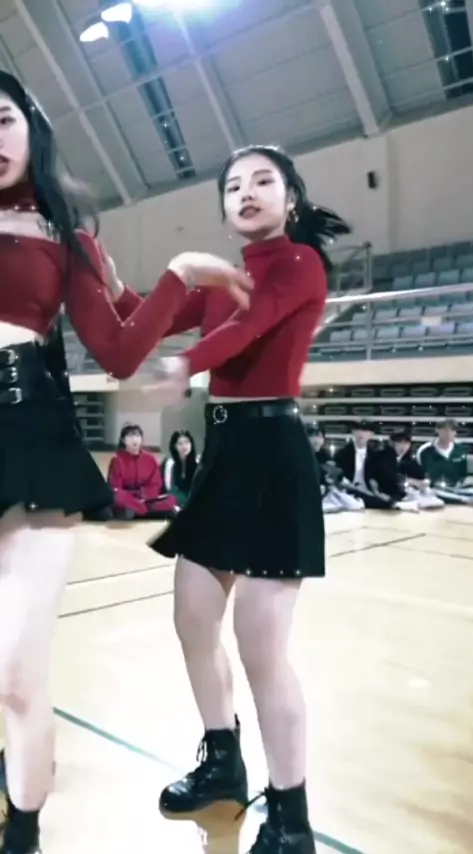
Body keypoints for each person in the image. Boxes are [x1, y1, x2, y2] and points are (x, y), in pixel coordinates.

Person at [0, 71, 251, 854]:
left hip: (31, 442)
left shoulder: (66, 237)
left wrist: (180, 277)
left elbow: (116, 349)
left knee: (16, 673)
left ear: (31, 128)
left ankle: (24, 832)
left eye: (1, 119)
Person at [147, 144, 350, 854]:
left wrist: (186, 361)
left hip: (272, 454)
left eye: (264, 180)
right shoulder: (223, 279)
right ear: (225, 208)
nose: (247, 192)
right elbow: (147, 316)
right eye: (234, 185)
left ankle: (291, 820)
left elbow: (250, 326)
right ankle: (222, 763)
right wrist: (116, 281)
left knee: (261, 648)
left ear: (291, 198)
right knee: (192, 619)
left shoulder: (299, 263)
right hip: (223, 453)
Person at [334, 422, 418, 511]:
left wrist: (377, 492)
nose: (361, 434)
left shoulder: (374, 454)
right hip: (348, 490)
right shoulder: (342, 453)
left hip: (368, 491)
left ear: (371, 435)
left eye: (365, 431)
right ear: (353, 432)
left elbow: (375, 477)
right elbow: (338, 477)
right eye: (358, 430)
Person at [107, 423, 178, 519]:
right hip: (127, 498)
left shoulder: (150, 459)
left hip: (147, 499)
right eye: (130, 436)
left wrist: (144, 496)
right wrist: (132, 498)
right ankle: (141, 511)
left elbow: (156, 484)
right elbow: (115, 487)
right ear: (123, 440)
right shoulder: (117, 460)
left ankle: (142, 511)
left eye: (137, 435)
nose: (134, 439)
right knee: (118, 498)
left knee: (171, 500)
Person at [416, 419, 473, 504]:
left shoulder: (460, 450)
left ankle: (458, 497)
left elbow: (463, 475)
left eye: (452, 430)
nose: (448, 433)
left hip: (456, 488)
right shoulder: (424, 451)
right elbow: (417, 474)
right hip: (434, 488)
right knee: (434, 492)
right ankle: (462, 499)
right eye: (444, 430)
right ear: (437, 430)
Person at [391, 430, 444, 510]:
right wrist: (411, 481)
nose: (402, 447)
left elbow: (422, 477)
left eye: (406, 443)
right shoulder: (384, 459)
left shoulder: (411, 461)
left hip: (412, 491)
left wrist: (424, 483)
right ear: (392, 444)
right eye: (399, 443)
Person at [163, 430, 199, 507]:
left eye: (187, 442)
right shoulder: (169, 464)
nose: (184, 446)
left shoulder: (198, 463)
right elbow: (168, 488)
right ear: (174, 446)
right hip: (174, 502)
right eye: (180, 443)